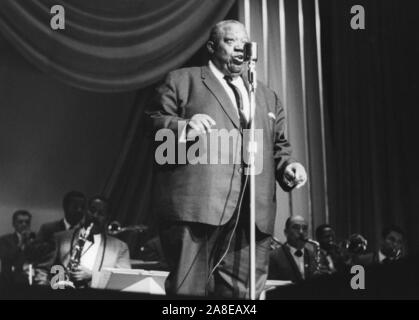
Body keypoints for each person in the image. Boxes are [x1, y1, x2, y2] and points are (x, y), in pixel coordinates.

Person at [148, 20, 307, 298]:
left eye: (244, 43)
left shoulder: (266, 96)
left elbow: (279, 145)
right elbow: (155, 121)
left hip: (252, 215)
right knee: (189, 294)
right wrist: (184, 126)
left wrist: (288, 167)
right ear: (212, 46)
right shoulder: (183, 80)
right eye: (231, 41)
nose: (239, 48)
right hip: (198, 208)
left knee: (243, 297)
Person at [39, 195, 131, 289]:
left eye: (101, 213)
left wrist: (92, 276)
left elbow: (123, 280)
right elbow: (42, 270)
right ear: (85, 211)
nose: (95, 216)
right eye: (92, 210)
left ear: (107, 218)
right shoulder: (60, 238)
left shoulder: (120, 247)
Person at [268, 216, 317, 282]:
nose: (301, 232)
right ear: (286, 232)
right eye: (296, 228)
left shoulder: (314, 256)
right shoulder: (273, 257)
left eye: (305, 228)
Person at [0, 210, 36, 284]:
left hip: (31, 280)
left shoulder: (35, 239)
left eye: (27, 222)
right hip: (10, 281)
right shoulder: (5, 240)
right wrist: (21, 243)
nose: (24, 224)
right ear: (14, 224)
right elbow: (6, 259)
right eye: (20, 222)